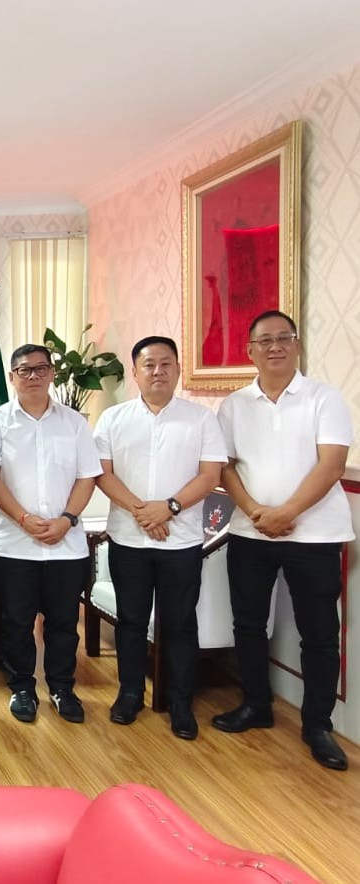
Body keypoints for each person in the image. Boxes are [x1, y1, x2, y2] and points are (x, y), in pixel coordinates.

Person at [213, 310, 353, 771]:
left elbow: (332, 465)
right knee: (249, 623)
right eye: (265, 341)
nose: (275, 347)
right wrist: (256, 511)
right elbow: (225, 467)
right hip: (249, 532)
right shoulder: (233, 405)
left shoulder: (323, 398)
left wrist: (287, 512)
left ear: (296, 345)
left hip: (314, 533)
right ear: (250, 351)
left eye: (284, 338)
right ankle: (256, 704)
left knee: (319, 633)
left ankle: (318, 725)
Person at [93, 336, 225, 740]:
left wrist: (168, 508)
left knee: (181, 623)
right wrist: (142, 511)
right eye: (149, 364)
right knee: (131, 621)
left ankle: (181, 702)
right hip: (128, 539)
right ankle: (130, 693)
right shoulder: (113, 419)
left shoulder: (201, 419)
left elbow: (210, 476)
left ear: (178, 370)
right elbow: (102, 474)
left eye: (166, 364)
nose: (158, 371)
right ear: (135, 372)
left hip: (180, 541)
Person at [0, 344, 100, 724]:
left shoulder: (74, 423)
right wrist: (22, 518)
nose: (33, 376)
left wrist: (66, 519)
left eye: (40, 368)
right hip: (14, 543)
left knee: (64, 624)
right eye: (24, 370)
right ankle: (22, 688)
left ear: (52, 374)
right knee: (16, 623)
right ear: (12, 377)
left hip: (65, 544)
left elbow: (87, 477)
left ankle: (62, 688)